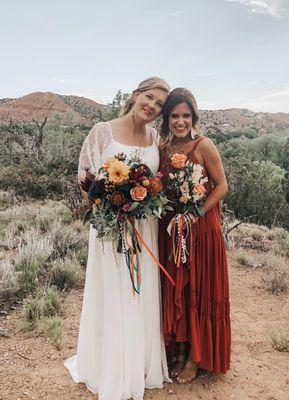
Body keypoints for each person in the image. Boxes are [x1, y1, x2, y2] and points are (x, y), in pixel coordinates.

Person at [65, 77, 171, 400]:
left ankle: (137, 363)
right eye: (149, 98)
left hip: (144, 228)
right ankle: (110, 367)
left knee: (140, 291)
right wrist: (107, 202)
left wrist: (143, 199)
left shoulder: (155, 138)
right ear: (136, 94)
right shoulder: (103, 131)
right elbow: (85, 176)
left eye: (159, 105)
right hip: (110, 230)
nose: (152, 106)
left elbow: (159, 182)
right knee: (114, 291)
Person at [158, 88, 231, 384]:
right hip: (173, 231)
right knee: (179, 289)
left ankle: (195, 358)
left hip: (201, 229)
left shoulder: (203, 145)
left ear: (194, 117)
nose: (180, 121)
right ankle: (178, 350)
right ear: (166, 118)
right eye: (175, 115)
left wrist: (195, 214)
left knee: (199, 290)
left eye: (186, 115)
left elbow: (222, 186)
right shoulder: (162, 149)